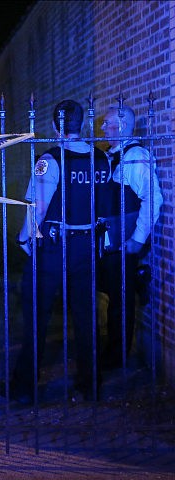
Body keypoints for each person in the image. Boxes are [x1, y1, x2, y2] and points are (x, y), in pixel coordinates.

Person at [0, 100, 110, 403]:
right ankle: (90, 384)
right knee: (86, 317)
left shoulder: (51, 158)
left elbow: (37, 208)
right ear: (82, 124)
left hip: (54, 247)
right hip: (87, 246)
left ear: (56, 125)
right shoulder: (101, 159)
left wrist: (23, 239)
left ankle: (23, 387)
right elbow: (106, 207)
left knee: (36, 316)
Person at [98, 106, 163, 370]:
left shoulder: (135, 155)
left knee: (119, 300)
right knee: (111, 291)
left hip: (124, 242)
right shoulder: (110, 155)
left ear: (122, 126)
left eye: (107, 123)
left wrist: (137, 239)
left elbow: (152, 198)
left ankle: (117, 355)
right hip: (109, 241)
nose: (102, 128)